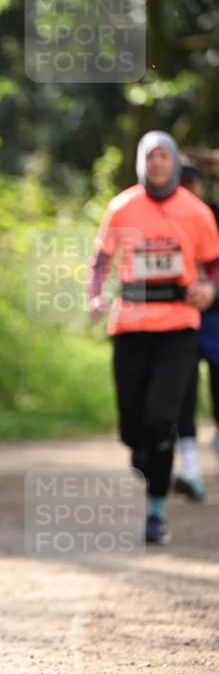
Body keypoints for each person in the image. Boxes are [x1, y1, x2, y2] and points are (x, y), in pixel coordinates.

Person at [87, 131, 219, 545]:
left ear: (175, 162)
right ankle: (146, 456)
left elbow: (214, 265)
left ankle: (157, 513)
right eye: (151, 156)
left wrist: (210, 289)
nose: (158, 163)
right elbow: (101, 259)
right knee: (132, 428)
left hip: (178, 324)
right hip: (129, 323)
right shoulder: (122, 206)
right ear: (142, 163)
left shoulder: (196, 211)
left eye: (164, 156)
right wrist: (95, 295)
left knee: (162, 418)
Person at [173, 164, 219, 499]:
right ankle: (189, 466)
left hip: (217, 318)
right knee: (183, 390)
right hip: (180, 319)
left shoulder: (214, 216)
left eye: (192, 184)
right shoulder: (165, 218)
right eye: (182, 185)